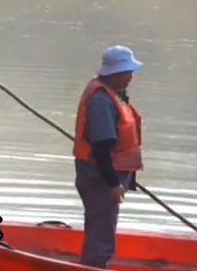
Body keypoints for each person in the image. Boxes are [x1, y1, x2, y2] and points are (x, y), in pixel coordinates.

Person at [73, 45, 144, 268]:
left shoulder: (113, 94)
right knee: (102, 236)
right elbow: (103, 149)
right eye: (127, 72)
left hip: (105, 175)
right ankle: (94, 266)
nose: (131, 76)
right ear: (113, 73)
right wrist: (113, 184)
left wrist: (127, 178)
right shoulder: (102, 101)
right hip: (101, 178)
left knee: (100, 227)